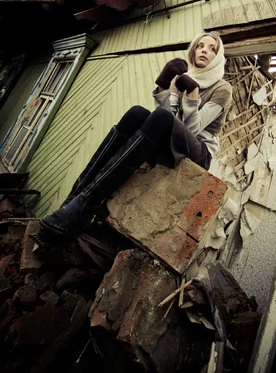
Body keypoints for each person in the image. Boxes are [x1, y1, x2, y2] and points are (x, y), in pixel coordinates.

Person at [40, 32, 233, 237]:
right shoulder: (184, 79)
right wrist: (164, 85)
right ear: (193, 51)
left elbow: (192, 129)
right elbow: (167, 115)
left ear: (218, 56)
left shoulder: (223, 89)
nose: (204, 50)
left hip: (200, 151)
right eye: (200, 46)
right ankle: (75, 198)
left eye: (212, 48)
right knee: (137, 113)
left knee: (159, 119)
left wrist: (193, 96)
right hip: (174, 141)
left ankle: (87, 203)